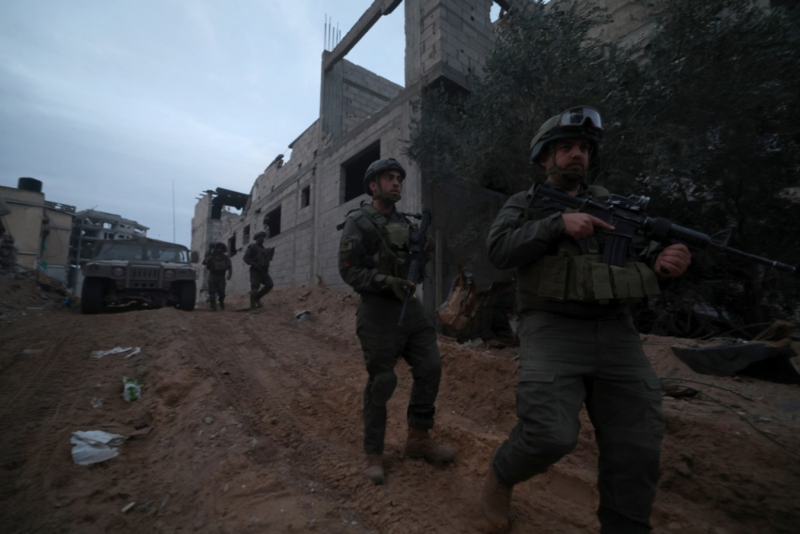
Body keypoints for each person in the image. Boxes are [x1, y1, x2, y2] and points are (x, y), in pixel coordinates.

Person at [480, 106, 692, 533]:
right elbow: (498, 251)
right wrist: (556, 225)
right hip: (551, 328)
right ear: (545, 157)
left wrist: (664, 260)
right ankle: (501, 476)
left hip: (616, 332)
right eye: (566, 147)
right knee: (549, 435)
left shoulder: (614, 205)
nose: (577, 154)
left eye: (583, 148)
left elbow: (637, 254)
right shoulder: (525, 203)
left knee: (638, 443)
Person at [338, 157, 456, 486]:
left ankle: (418, 438)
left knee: (430, 366)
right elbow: (348, 270)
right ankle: (373, 453)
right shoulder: (359, 222)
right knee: (383, 381)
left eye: (399, 179)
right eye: (389, 178)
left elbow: (411, 262)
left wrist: (424, 252)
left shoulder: (406, 223)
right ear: (373, 185)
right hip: (378, 312)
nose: (396, 183)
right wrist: (384, 281)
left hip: (409, 310)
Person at [243, 230, 275, 310]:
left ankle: (257, 297)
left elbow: (266, 259)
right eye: (261, 237)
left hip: (263, 270)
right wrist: (253, 264)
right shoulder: (252, 247)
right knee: (255, 288)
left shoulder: (263, 249)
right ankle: (252, 307)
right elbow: (246, 258)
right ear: (257, 238)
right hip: (255, 270)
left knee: (269, 284)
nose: (262, 239)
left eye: (263, 238)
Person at [202, 242, 232, 311]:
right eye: (218, 248)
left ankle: (221, 302)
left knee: (222, 293)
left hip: (221, 276)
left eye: (221, 248)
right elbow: (205, 261)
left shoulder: (225, 258)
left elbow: (229, 266)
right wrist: (209, 250)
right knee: (212, 292)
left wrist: (230, 274)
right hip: (213, 275)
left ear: (223, 249)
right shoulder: (212, 256)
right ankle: (213, 306)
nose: (219, 250)